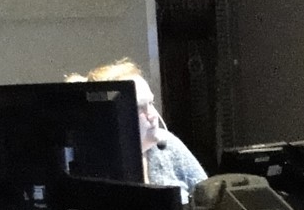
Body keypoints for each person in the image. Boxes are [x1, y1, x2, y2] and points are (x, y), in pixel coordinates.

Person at [71, 57, 208, 193]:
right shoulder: (88, 166)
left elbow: (209, 199)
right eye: (140, 107)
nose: (153, 115)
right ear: (110, 118)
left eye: (151, 103)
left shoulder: (168, 145)